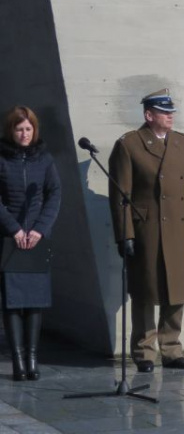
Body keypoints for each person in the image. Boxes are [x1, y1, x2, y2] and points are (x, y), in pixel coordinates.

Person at [108, 89, 184, 372]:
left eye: (171, 112)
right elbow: (121, 196)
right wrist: (125, 234)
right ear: (148, 115)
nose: (170, 116)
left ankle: (172, 350)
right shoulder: (130, 144)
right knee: (144, 292)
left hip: (177, 226)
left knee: (176, 290)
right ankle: (144, 353)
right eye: (164, 112)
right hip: (146, 229)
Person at [0, 106, 61, 381]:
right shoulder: (2, 158)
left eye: (28, 129)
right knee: (13, 302)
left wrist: (40, 229)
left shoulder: (44, 159)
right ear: (10, 131)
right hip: (8, 239)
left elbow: (54, 194)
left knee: (35, 300)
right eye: (19, 129)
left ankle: (33, 357)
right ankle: (18, 361)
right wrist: (13, 228)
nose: (24, 134)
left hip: (36, 238)